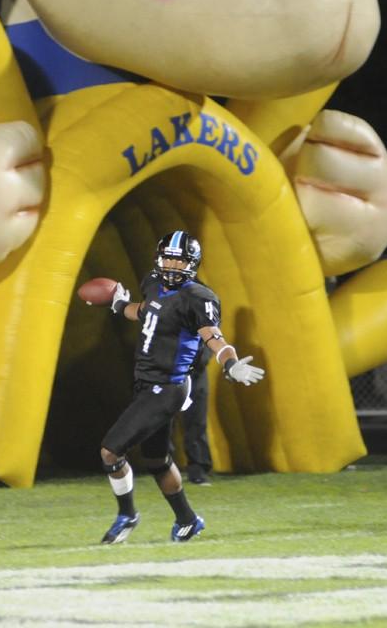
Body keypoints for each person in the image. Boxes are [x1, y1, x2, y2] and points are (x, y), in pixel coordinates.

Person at [97, 230, 264, 544]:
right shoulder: (152, 282)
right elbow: (146, 313)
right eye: (169, 258)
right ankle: (187, 520)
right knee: (157, 461)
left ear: (192, 263)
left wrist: (231, 363)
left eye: (180, 259)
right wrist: (120, 306)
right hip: (146, 383)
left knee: (110, 451)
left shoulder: (199, 297)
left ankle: (127, 515)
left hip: (169, 387)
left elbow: (214, 337)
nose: (173, 265)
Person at [181, 343, 213, 486]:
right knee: (160, 420)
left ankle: (198, 469)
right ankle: (162, 466)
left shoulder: (206, 319)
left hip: (195, 372)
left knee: (197, 420)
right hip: (166, 370)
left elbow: (212, 335)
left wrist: (201, 360)